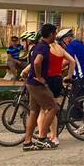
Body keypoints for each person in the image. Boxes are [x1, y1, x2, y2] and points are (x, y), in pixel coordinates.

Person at [22, 23, 59, 151]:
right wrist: (39, 76)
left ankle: (27, 142)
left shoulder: (37, 46)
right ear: (50, 34)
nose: (55, 35)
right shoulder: (43, 47)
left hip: (31, 83)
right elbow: (37, 62)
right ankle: (42, 138)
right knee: (53, 107)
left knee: (34, 112)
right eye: (55, 33)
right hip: (37, 84)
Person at [58, 28, 84, 135]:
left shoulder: (71, 46)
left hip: (82, 77)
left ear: (66, 39)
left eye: (60, 42)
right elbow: (78, 61)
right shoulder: (80, 44)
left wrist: (55, 71)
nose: (61, 45)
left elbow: (67, 61)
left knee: (75, 102)